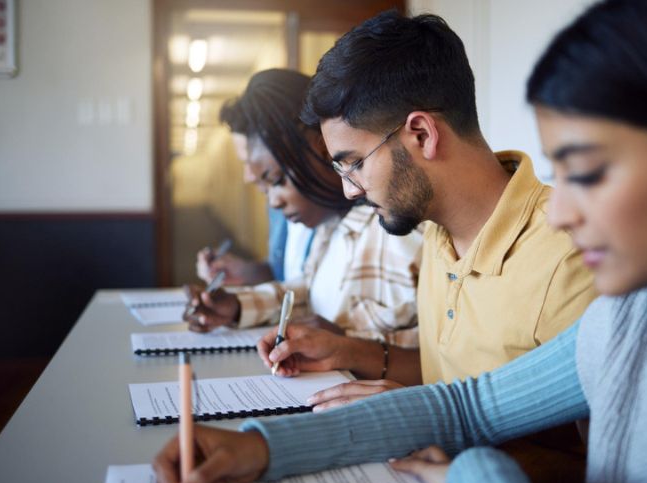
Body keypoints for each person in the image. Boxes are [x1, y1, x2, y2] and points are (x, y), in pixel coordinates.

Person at [154, 0, 647, 483]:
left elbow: (487, 436)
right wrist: (256, 446)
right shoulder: (637, 315)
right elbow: (471, 402)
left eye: (590, 170)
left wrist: (471, 476)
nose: (564, 212)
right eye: (558, 169)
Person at [253, 11, 595, 411]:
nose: (348, 191)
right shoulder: (435, 230)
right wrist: (350, 353)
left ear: (421, 134)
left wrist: (429, 422)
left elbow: (598, 466)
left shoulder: (570, 260)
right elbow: (450, 378)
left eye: (355, 163)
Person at [185, 69, 423, 348]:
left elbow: (434, 346)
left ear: (321, 149)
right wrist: (238, 306)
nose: (272, 200)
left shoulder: (397, 227)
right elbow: (308, 290)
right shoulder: (329, 225)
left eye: (276, 181)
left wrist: (349, 345)